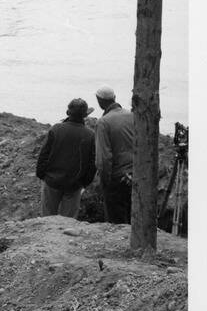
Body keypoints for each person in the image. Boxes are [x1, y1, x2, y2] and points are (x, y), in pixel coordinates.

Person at [35, 98, 96, 217]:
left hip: (52, 181)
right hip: (74, 184)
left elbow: (44, 155)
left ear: (68, 113)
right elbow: (92, 163)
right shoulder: (90, 135)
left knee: (47, 219)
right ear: (85, 115)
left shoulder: (56, 129)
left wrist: (42, 175)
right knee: (68, 223)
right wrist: (84, 182)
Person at [94, 86, 135, 224]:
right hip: (135, 175)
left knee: (115, 221)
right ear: (114, 98)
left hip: (116, 177)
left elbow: (104, 157)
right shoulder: (132, 115)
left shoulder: (104, 122)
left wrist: (105, 181)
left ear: (99, 101)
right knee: (132, 216)